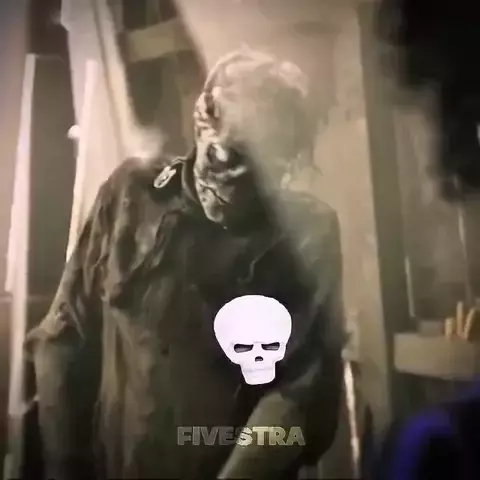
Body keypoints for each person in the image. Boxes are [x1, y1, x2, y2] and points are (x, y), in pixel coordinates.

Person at [25, 48, 345, 479]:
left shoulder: (307, 232)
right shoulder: (131, 195)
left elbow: (301, 392)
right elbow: (64, 338)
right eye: (226, 160)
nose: (234, 190)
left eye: (263, 174)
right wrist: (67, 467)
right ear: (201, 124)